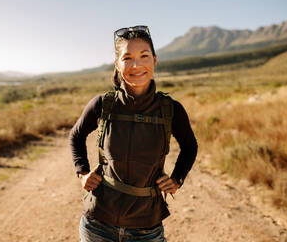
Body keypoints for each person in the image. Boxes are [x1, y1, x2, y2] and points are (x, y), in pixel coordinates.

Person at [69, 25, 198, 242]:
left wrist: (177, 180)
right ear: (118, 65)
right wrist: (82, 173)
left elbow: (190, 146)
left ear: (154, 60)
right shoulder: (103, 104)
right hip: (97, 224)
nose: (136, 65)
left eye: (144, 56)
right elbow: (76, 135)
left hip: (146, 229)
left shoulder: (171, 109)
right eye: (127, 58)